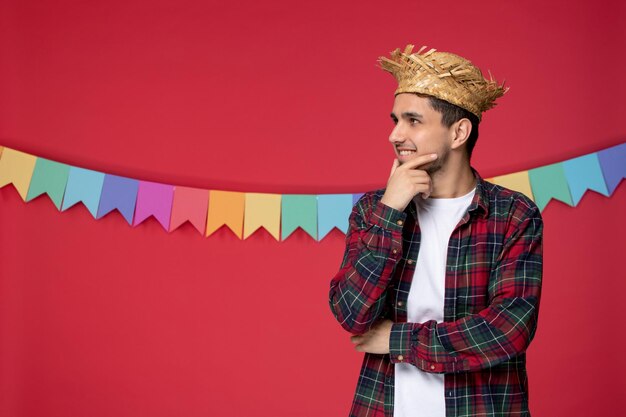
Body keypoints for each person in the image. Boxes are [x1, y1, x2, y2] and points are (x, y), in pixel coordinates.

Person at [328, 44, 544, 417]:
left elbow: (507, 329)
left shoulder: (513, 214)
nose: (395, 135)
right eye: (395, 120)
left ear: (458, 132)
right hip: (383, 406)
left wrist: (395, 339)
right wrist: (390, 212)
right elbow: (351, 314)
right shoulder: (373, 210)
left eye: (413, 121)